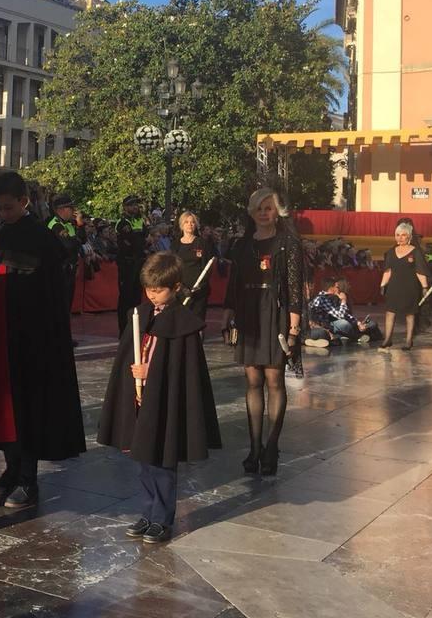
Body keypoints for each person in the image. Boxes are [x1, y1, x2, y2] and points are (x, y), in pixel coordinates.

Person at [0, 171, 86, 510]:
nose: (3, 214)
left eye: (9, 207)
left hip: (30, 338)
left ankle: (27, 478)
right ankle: (11, 469)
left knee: (26, 409)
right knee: (1, 407)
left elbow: (51, 294)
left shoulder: (42, 239)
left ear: (24, 203)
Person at [97, 252, 221, 544]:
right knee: (143, 460)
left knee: (162, 463)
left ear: (176, 287)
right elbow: (132, 350)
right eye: (149, 289)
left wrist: (150, 371)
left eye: (159, 290)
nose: (153, 296)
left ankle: (163, 518)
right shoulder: (140, 315)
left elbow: (180, 370)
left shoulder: (184, 324)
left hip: (165, 401)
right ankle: (148, 511)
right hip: (141, 401)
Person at [220, 188, 303, 477]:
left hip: (276, 313)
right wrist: (227, 315)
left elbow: (295, 288)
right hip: (248, 312)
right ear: (252, 211)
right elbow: (233, 284)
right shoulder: (242, 245)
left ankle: (271, 446)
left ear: (276, 210)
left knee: (274, 378)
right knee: (252, 379)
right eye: (259, 208)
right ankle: (254, 446)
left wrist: (293, 328)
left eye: (269, 208)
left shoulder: (288, 243)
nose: (264, 212)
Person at [379, 221, 431, 351]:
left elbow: (420, 271)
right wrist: (383, 284)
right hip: (394, 286)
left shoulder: (415, 252)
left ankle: (408, 341)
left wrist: (424, 287)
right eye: (397, 235)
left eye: (403, 235)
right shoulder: (391, 252)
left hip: (410, 287)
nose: (399, 238)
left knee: (410, 314)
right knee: (390, 313)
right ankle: (387, 339)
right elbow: (388, 270)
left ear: (409, 237)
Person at [46, 195, 86, 332]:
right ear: (61, 210)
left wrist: (80, 224)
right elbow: (68, 245)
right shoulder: (55, 224)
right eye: (70, 208)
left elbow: (83, 240)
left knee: (67, 304)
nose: (73, 211)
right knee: (60, 305)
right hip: (60, 270)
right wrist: (76, 240)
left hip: (71, 268)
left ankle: (66, 333)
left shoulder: (70, 224)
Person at [174, 210, 217, 332]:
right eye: (186, 222)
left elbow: (207, 267)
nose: (190, 224)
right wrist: (181, 287)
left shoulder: (202, 243)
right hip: (180, 289)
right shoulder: (175, 244)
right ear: (181, 225)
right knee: (181, 323)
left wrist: (199, 287)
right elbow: (173, 267)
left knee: (196, 323)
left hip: (198, 290)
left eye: (192, 222)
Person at [308, 278, 380, 346]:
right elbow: (340, 316)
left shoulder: (333, 297)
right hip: (327, 326)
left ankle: (352, 336)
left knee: (372, 324)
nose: (339, 289)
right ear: (331, 288)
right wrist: (343, 300)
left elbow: (346, 315)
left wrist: (358, 323)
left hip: (335, 325)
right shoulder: (322, 298)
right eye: (337, 287)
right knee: (344, 324)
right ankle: (357, 336)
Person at [115, 195, 149, 336]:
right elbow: (134, 242)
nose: (135, 207)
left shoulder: (140, 221)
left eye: (136, 204)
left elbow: (145, 239)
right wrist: (141, 240)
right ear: (125, 207)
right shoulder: (123, 223)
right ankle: (124, 329)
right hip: (127, 263)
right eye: (132, 205)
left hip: (138, 262)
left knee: (136, 296)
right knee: (126, 297)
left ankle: (135, 327)